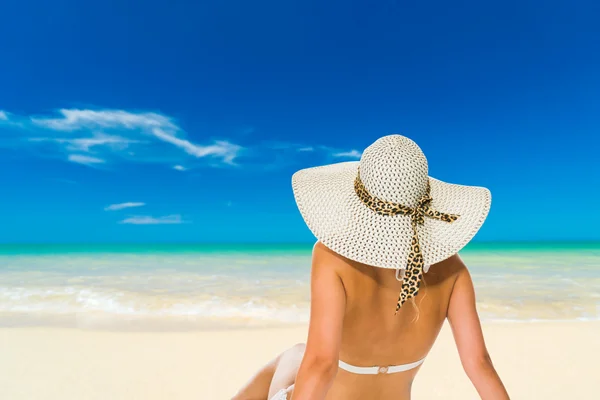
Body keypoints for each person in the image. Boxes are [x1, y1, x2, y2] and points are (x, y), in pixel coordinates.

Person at [233, 135, 509, 400]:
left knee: (295, 356)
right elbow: (479, 364)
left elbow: (322, 364)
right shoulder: (453, 270)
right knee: (296, 353)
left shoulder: (331, 256)